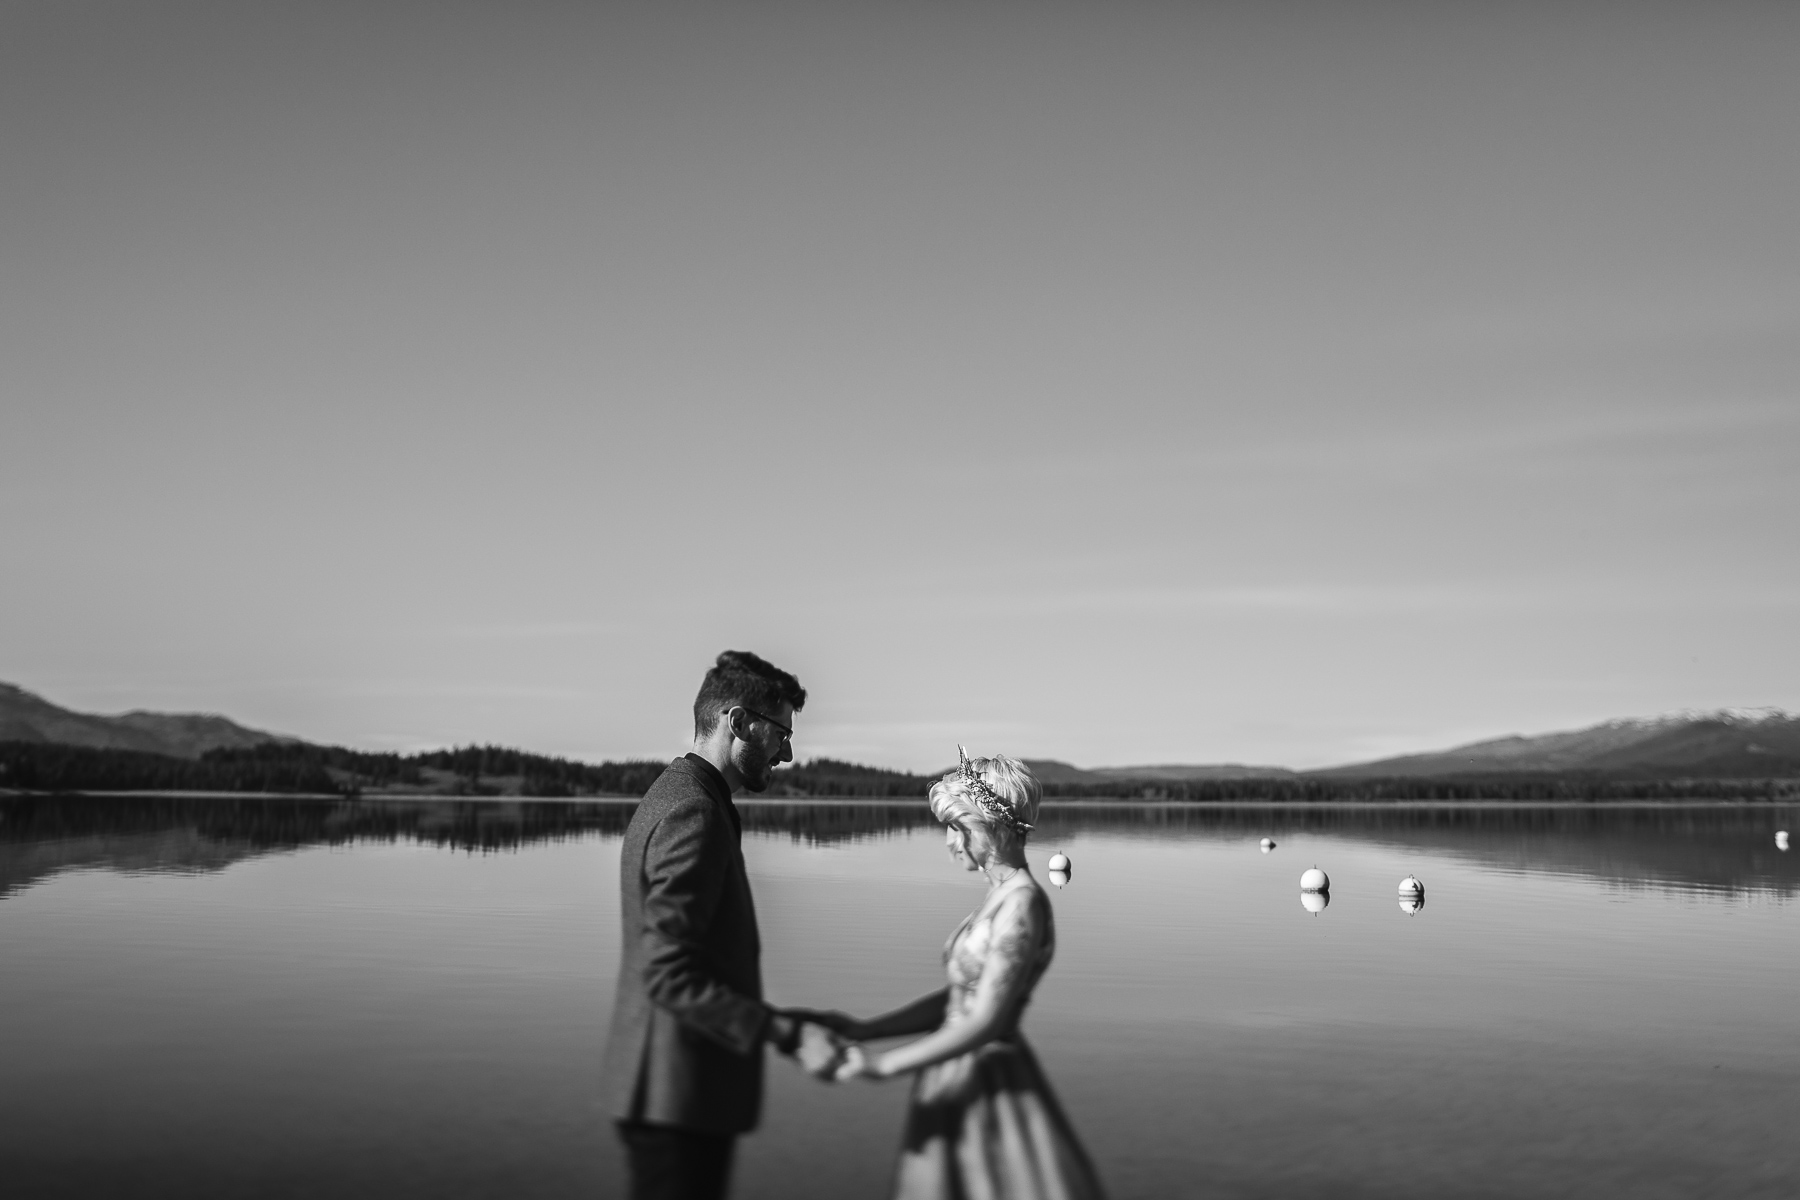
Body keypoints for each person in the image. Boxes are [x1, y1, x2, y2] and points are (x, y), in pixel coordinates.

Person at [600, 650, 845, 1200]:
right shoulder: (695, 812)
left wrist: (791, 1019)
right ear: (738, 723)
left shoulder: (682, 792)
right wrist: (785, 1034)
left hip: (667, 1091)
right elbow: (667, 973)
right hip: (674, 1095)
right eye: (781, 733)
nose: (787, 753)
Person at [828, 748, 1107, 1200]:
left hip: (988, 1081)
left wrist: (884, 1063)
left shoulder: (1023, 905)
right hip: (953, 1069)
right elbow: (955, 1001)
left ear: (995, 827)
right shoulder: (998, 898)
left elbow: (987, 1021)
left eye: (959, 828)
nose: (949, 841)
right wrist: (867, 1028)